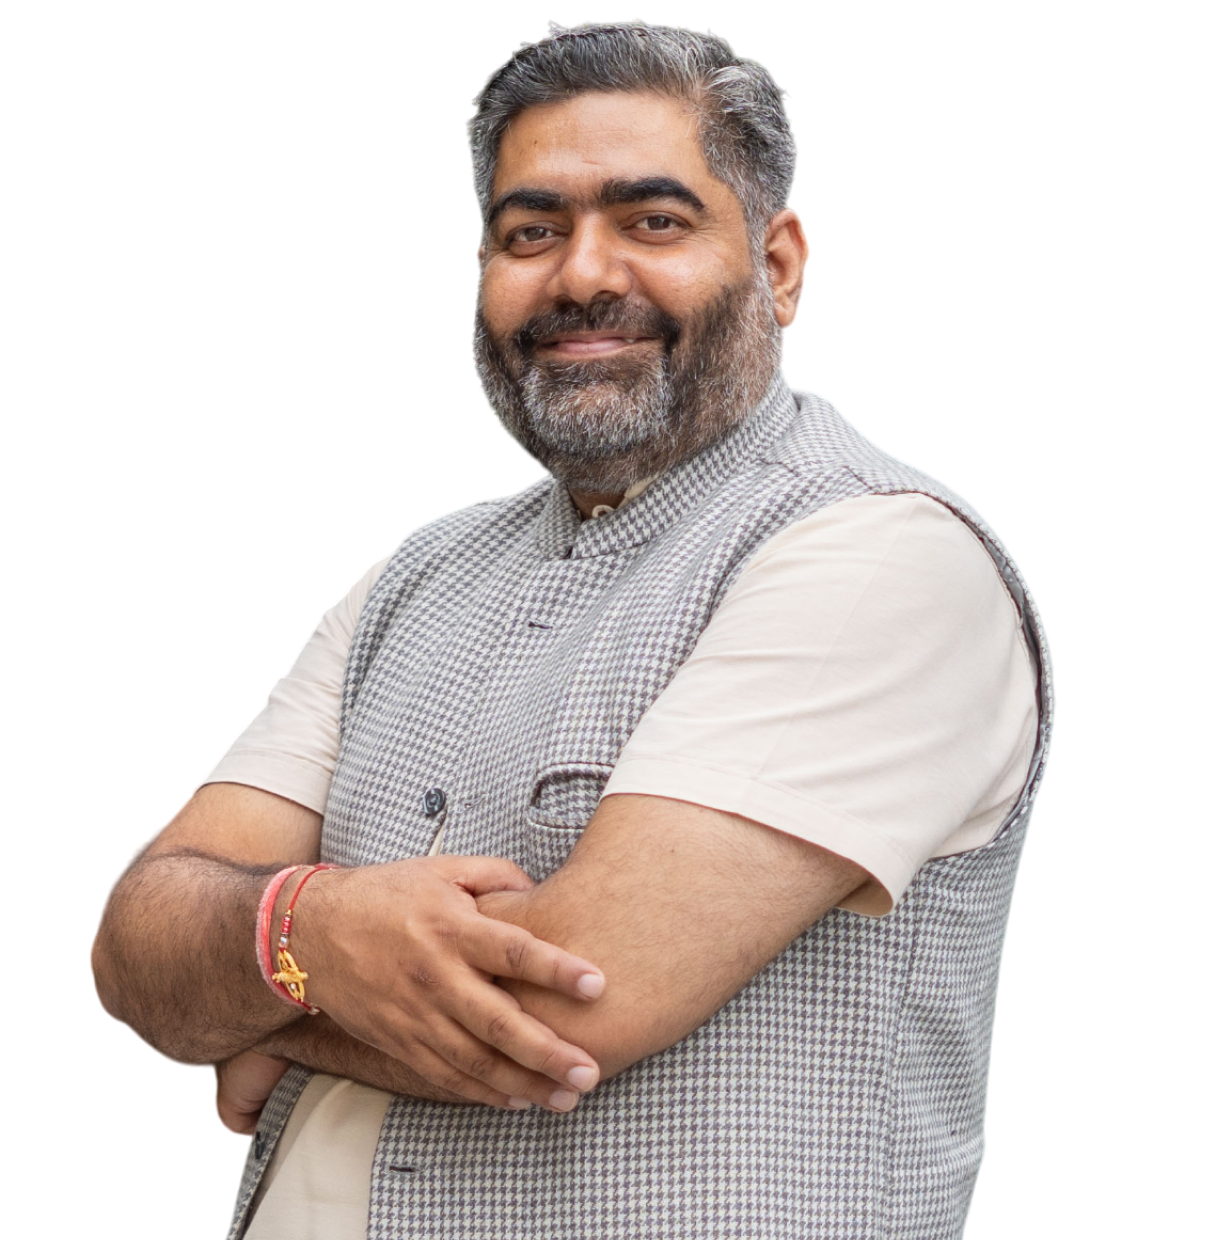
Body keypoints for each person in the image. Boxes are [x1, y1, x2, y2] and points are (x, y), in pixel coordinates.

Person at [89, 20, 1054, 1240]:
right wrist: (308, 935)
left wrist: (252, 1010)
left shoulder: (881, 557)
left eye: (651, 221)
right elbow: (133, 942)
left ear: (776, 263)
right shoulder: (422, 571)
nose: (582, 275)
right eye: (530, 231)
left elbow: (562, 1010)